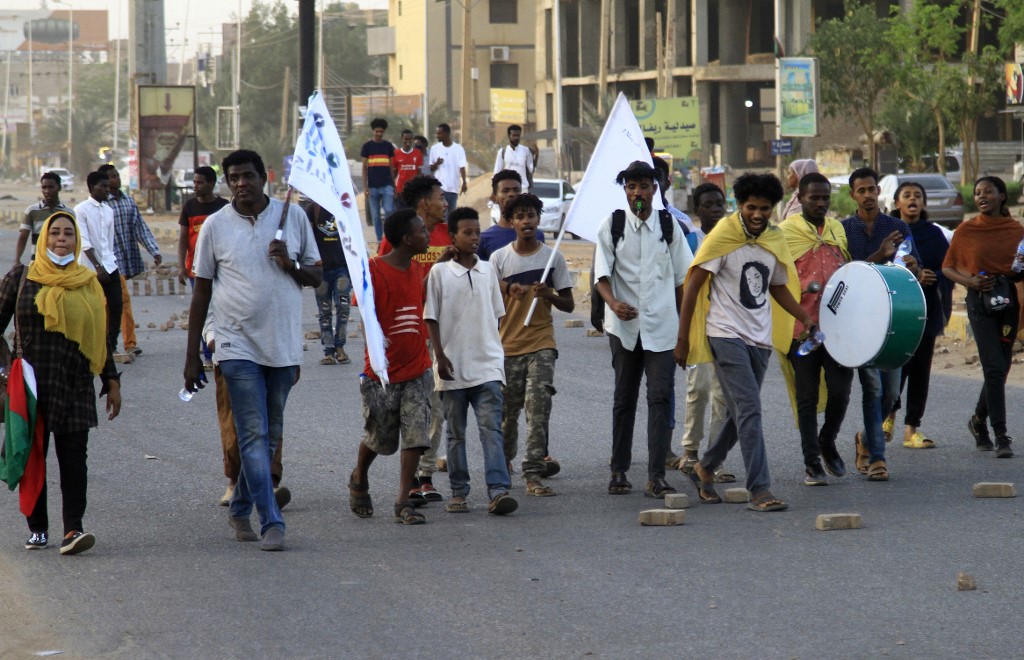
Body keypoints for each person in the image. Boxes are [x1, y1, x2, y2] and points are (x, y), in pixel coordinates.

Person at [182, 149, 322, 552]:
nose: (241, 183)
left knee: (269, 432)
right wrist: (193, 355)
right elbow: (201, 292)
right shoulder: (214, 226)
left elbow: (317, 275)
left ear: (265, 178)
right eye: (234, 178)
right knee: (253, 432)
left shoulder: (292, 218)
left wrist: (290, 265)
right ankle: (271, 521)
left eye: (248, 176)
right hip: (234, 342)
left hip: (282, 344)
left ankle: (240, 506)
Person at [675, 172, 812, 513]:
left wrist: (804, 317)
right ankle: (760, 489)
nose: (758, 214)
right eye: (751, 207)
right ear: (740, 205)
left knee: (740, 415)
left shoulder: (773, 239)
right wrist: (682, 338)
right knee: (750, 409)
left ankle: (704, 467)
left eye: (765, 208)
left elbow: (777, 285)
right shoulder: (724, 235)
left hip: (760, 338)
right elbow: (693, 283)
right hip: (724, 334)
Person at [0, 211, 121, 555]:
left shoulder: (88, 283)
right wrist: (3, 369)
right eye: (55, 232)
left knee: (73, 460)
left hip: (75, 382)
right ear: (44, 239)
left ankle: (73, 530)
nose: (62, 238)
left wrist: (110, 379)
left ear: (77, 240)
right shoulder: (22, 278)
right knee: (33, 455)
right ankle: (37, 529)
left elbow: (97, 338)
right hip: (30, 385)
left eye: (69, 233)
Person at [593, 161, 693, 497]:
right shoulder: (613, 224)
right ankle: (619, 470)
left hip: (663, 327)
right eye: (631, 187)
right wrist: (613, 303)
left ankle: (656, 476)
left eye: (644, 186)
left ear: (655, 189)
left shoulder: (669, 226)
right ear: (625, 190)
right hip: (624, 328)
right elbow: (601, 276)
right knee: (624, 399)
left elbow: (683, 281)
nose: (638, 193)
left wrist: (686, 333)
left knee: (660, 398)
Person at [425, 207, 518, 515]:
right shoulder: (439, 273)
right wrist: (439, 355)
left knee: (491, 429)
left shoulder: (488, 270)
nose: (474, 237)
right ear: (452, 237)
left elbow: (497, 315)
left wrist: (494, 352)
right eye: (467, 232)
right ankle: (459, 491)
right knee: (455, 434)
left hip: (487, 366)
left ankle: (498, 489)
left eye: (477, 232)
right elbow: (431, 318)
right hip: (452, 368)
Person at [348, 209, 434, 525]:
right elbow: (364, 310)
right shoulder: (371, 270)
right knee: (380, 440)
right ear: (406, 239)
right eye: (422, 230)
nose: (428, 235)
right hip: (381, 375)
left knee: (416, 434)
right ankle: (359, 478)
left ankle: (403, 501)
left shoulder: (417, 270)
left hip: (417, 370)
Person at [841, 167, 923, 481]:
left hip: (893, 318)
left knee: (890, 393)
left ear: (878, 191)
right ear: (853, 195)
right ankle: (878, 458)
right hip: (860, 321)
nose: (868, 195)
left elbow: (911, 265)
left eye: (872, 189)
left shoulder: (897, 226)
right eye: (861, 190)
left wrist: (914, 266)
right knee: (872, 388)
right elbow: (843, 276)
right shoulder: (844, 229)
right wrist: (877, 255)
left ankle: (865, 438)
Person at [491, 194, 575, 496]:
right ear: (511, 222)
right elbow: (487, 298)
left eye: (532, 215)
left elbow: (568, 304)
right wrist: (506, 288)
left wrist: (549, 294)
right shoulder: (500, 259)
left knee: (538, 408)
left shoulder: (553, 258)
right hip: (507, 346)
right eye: (521, 216)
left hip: (542, 343)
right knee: (507, 416)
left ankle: (533, 473)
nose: (527, 221)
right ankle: (503, 467)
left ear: (539, 220)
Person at [380, 175, 451, 502]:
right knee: (396, 415)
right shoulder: (399, 232)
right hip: (406, 337)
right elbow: (382, 279)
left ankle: (423, 475)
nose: (445, 203)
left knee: (435, 407)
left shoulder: (448, 233)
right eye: (440, 197)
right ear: (425, 203)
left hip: (441, 333)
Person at [942, 176, 1024, 458]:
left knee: (1000, 368)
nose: (981, 196)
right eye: (977, 193)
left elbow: (1019, 271)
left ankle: (978, 420)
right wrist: (972, 283)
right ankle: (1001, 435)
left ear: (1002, 196)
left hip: (1008, 303)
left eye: (988, 191)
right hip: (979, 303)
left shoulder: (1017, 231)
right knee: (993, 367)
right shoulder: (967, 230)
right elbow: (948, 268)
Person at [780, 172, 852, 485]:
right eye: (814, 197)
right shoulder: (785, 232)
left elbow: (849, 272)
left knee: (841, 393)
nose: (821, 203)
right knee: (806, 398)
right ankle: (812, 463)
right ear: (799, 197)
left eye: (825, 197)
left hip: (837, 329)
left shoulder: (837, 229)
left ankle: (827, 441)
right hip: (801, 329)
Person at [886, 181, 952, 449]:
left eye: (918, 196)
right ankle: (887, 417)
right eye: (907, 195)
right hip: (896, 311)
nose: (912, 199)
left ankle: (911, 429)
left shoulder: (935, 234)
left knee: (921, 369)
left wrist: (930, 275)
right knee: (895, 366)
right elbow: (878, 266)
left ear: (923, 204)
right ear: (897, 203)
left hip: (926, 310)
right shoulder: (888, 233)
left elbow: (947, 268)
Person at [677, 183, 732, 482]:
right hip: (698, 324)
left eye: (719, 204)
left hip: (725, 324)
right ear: (697, 210)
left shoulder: (732, 239)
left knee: (722, 393)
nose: (714, 209)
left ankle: (714, 457)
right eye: (708, 205)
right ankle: (690, 450)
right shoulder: (689, 241)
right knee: (697, 389)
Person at [98, 164, 162, 360]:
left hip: (123, 261)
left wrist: (154, 250)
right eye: (111, 177)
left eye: (116, 175)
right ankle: (112, 343)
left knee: (119, 302)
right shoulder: (100, 204)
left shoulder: (127, 201)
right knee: (114, 303)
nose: (115, 179)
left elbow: (139, 228)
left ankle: (127, 343)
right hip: (106, 262)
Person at [177, 166, 229, 371]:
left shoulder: (224, 207)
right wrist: (181, 266)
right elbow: (182, 239)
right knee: (203, 308)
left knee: (223, 308)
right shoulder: (189, 207)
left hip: (221, 268)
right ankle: (207, 353)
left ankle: (223, 349)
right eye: (194, 182)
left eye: (199, 182)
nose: (195, 186)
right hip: (196, 269)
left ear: (211, 183)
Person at [74, 171, 123, 360]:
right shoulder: (81, 209)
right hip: (89, 268)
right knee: (90, 307)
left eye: (107, 186)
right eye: (103, 186)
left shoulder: (109, 210)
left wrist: (108, 263)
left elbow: (108, 241)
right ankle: (87, 344)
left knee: (116, 305)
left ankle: (110, 344)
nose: (107, 189)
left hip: (110, 264)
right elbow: (84, 240)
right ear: (92, 187)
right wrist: (97, 266)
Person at [306, 201, 351, 365]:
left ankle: (340, 347)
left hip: (343, 270)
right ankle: (328, 350)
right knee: (324, 311)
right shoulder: (313, 208)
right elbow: (307, 236)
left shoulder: (344, 206)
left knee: (344, 307)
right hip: (322, 271)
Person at [478, 169, 545, 261]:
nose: (512, 194)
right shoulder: (484, 239)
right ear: (494, 198)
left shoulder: (537, 235)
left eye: (516, 190)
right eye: (505, 191)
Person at [15, 172, 73, 265]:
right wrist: (17, 259)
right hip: (37, 262)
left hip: (61, 263)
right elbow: (23, 237)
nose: (47, 191)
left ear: (59, 187)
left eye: (51, 187)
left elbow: (73, 239)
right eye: (44, 187)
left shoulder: (68, 213)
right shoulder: (32, 211)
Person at [360, 118, 397, 242]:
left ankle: (388, 237)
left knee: (389, 211)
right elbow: (364, 168)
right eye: (377, 131)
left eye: (381, 131)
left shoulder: (388, 146)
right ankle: (380, 240)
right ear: (373, 131)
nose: (379, 134)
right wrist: (365, 187)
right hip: (373, 187)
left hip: (387, 185)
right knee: (375, 216)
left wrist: (394, 185)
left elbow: (392, 168)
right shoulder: (367, 147)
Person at [428, 123, 468, 217]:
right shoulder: (435, 149)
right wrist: (437, 163)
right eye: (437, 133)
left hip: (453, 188)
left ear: (446, 134)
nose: (437, 136)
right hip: (440, 188)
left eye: (439, 133)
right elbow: (431, 168)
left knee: (451, 215)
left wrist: (464, 182)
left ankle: (449, 232)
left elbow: (462, 167)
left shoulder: (458, 149)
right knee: (442, 215)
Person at [493, 124, 535, 193]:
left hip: (523, 189)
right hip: (508, 189)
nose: (516, 138)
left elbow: (531, 170)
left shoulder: (526, 151)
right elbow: (496, 173)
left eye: (518, 135)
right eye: (514, 135)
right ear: (509, 136)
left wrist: (534, 156)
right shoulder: (503, 152)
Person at [393, 129, 423, 209]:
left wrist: (419, 188)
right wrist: (394, 189)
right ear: (402, 139)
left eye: (410, 139)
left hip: (413, 191)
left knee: (412, 215)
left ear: (412, 140)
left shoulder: (418, 153)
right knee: (401, 215)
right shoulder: (396, 153)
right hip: (400, 190)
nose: (408, 141)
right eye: (406, 139)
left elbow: (419, 173)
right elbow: (394, 173)